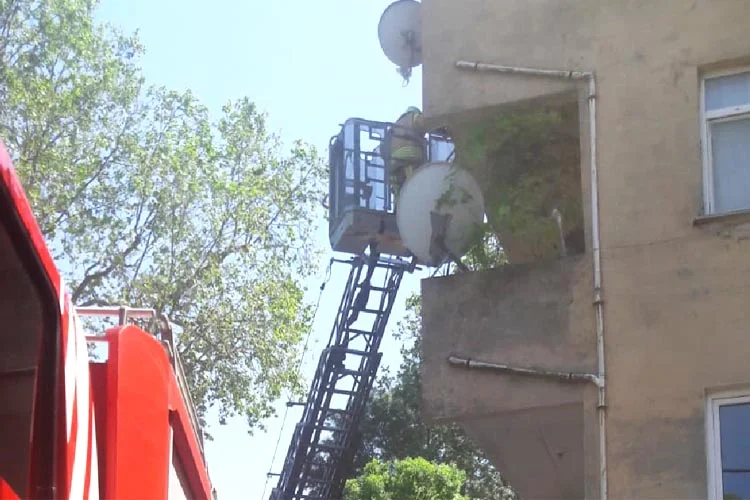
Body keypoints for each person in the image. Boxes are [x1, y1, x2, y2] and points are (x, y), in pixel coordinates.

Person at [387, 106, 426, 201]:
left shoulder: (394, 127)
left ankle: (398, 206)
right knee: (412, 183)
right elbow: (424, 123)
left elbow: (382, 147)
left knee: (398, 190)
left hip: (394, 163)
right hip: (410, 156)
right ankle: (414, 203)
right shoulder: (413, 117)